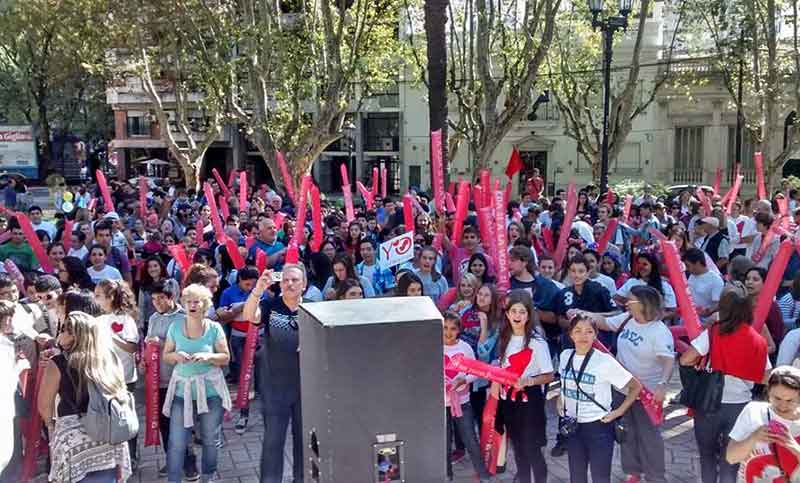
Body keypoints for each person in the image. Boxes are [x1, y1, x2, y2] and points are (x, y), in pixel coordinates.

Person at [575, 285, 675, 483]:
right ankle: (633, 471)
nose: (626, 303)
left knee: (649, 436)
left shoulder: (659, 332)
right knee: (626, 430)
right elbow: (604, 323)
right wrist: (584, 314)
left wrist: (663, 385)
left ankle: (655, 476)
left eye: (630, 300)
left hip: (646, 393)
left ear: (643, 304)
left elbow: (668, 361)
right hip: (622, 388)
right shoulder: (628, 319)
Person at [680, 286, 770, 483]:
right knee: (730, 459)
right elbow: (766, 377)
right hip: (740, 407)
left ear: (723, 308)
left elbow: (686, 359)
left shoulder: (713, 333)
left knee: (707, 455)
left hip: (709, 403)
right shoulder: (757, 339)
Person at [37, 311, 133, 483]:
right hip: (109, 433)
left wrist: (52, 427)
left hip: (74, 440)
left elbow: (44, 406)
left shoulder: (58, 363)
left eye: (65, 329)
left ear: (74, 335)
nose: (60, 333)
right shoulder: (109, 357)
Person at [243, 265, 307, 483]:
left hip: (305, 388)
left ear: (304, 285)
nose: (290, 284)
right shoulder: (271, 306)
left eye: (295, 280)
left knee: (304, 442)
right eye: (286, 280)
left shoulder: (313, 310)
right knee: (273, 441)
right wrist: (258, 289)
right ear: (280, 284)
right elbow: (249, 315)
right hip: (274, 388)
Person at [559, 315, 642, 483]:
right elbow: (564, 382)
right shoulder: (565, 356)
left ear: (595, 335)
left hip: (599, 427)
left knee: (600, 477)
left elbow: (635, 386)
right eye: (578, 331)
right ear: (571, 335)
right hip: (574, 426)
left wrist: (618, 412)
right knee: (576, 476)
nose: (583, 336)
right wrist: (561, 400)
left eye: (589, 331)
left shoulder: (604, 361)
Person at [162, 284, 231, 483]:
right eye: (188, 301)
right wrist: (176, 355)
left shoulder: (214, 327)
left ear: (205, 305)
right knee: (176, 441)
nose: (192, 305)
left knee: (210, 440)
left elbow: (225, 357)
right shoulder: (175, 327)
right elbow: (166, 356)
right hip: (182, 392)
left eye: (196, 301)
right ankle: (173, 480)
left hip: (210, 391)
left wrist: (208, 356)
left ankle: (208, 477)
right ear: (183, 304)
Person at [494, 290, 554, 483]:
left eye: (522, 312)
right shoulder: (504, 337)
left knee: (532, 448)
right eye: (514, 311)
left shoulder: (536, 342)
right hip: (508, 399)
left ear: (529, 315)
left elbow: (548, 375)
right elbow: (501, 365)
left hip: (530, 400)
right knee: (518, 446)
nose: (517, 316)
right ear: (507, 314)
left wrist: (528, 381)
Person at [144, 280, 200, 481]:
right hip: (157, 381)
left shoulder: (184, 318)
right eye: (153, 299)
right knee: (163, 424)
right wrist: (145, 360)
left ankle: (190, 464)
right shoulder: (152, 318)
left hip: (179, 380)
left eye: (161, 298)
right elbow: (148, 344)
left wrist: (162, 344)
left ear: (171, 297)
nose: (157, 302)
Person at [95, 279, 141, 468]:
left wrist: (113, 337)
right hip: (104, 375)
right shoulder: (97, 319)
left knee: (127, 416)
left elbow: (132, 347)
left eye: (98, 295)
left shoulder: (125, 319)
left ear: (111, 297)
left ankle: (132, 455)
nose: (95, 299)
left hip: (124, 376)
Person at [442, 312, 492, 482]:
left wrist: (464, 379)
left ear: (459, 331)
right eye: (445, 328)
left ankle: (483, 474)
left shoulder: (465, 348)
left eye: (453, 329)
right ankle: (446, 475)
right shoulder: (434, 346)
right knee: (444, 441)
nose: (448, 332)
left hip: (462, 402)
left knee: (470, 439)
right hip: (441, 404)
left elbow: (475, 372)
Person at [726, 366, 800, 478]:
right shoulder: (753, 411)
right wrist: (753, 438)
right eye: (777, 398)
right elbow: (731, 457)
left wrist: (794, 447)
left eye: (790, 401)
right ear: (768, 391)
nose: (783, 405)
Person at [216, 266, 260, 434]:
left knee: (263, 375)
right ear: (239, 280)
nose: (250, 288)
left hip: (259, 335)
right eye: (247, 284)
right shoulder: (228, 293)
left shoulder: (259, 290)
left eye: (253, 285)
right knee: (244, 376)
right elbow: (221, 316)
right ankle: (243, 415)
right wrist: (236, 310)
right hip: (238, 337)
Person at [746, 267, 784, 351]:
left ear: (765, 283)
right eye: (747, 279)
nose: (749, 282)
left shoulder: (771, 307)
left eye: (755, 279)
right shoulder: (741, 303)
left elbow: (777, 336)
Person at [684, 247, 725, 322]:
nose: (686, 268)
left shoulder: (715, 280)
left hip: (705, 321)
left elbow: (718, 303)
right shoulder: (692, 276)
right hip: (689, 317)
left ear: (698, 263)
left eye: (688, 265)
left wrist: (706, 311)